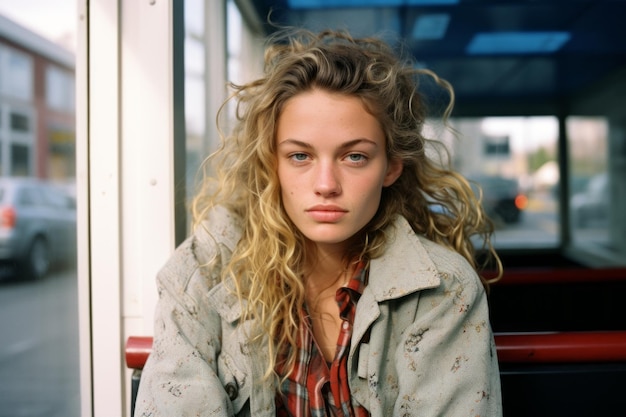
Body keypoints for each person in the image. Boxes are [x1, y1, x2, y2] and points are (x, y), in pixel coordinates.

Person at [135, 28, 503, 417]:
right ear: (270, 162)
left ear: (392, 166)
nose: (326, 185)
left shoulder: (442, 290)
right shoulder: (203, 272)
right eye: (300, 157)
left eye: (354, 157)